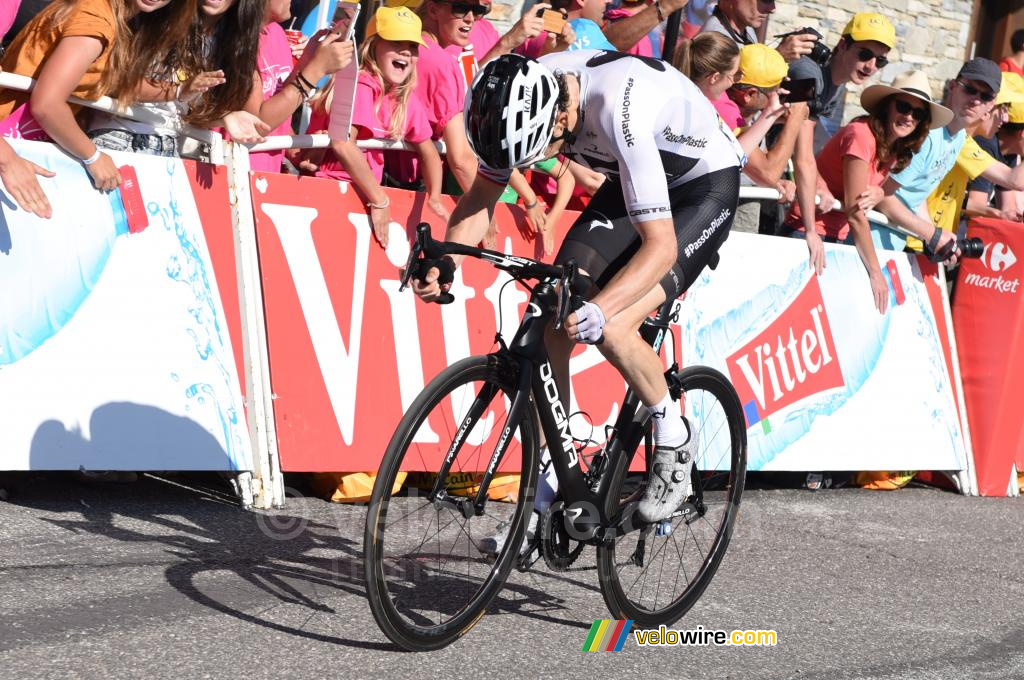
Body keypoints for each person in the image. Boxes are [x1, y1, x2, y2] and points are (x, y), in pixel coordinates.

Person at [412, 52, 745, 534]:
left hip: (701, 187)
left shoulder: (617, 109)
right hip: (634, 174)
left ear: (562, 117)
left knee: (613, 324)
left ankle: (674, 438)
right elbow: (483, 196)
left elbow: (660, 247)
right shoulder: (519, 94)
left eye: (542, 148)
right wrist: (447, 258)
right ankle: (552, 490)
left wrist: (602, 307)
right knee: (553, 311)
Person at [784, 71, 945, 312]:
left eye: (918, 113)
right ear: (887, 107)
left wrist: (880, 194)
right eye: (903, 106)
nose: (909, 116)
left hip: (837, 238)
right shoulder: (861, 134)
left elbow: (872, 196)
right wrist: (875, 272)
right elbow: (856, 211)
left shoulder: (896, 147)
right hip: (808, 232)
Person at [0, 0, 196, 191]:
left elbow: (113, 83)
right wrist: (93, 157)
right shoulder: (95, 19)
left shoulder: (112, 18)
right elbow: (47, 105)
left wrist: (178, 90)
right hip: (9, 141)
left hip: (23, 144)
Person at [303, 6, 448, 246]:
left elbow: (429, 152)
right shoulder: (362, 84)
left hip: (361, 194)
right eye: (396, 41)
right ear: (373, 45)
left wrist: (434, 199)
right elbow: (343, 145)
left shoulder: (403, 98)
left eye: (413, 46)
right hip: (328, 190)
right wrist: (380, 200)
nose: (405, 51)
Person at [875, 59, 1024, 261]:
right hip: (878, 240)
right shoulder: (927, 132)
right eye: (970, 89)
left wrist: (936, 237)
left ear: (990, 105)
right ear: (953, 87)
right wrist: (932, 235)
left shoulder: (959, 139)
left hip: (903, 241)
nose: (976, 100)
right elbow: (883, 195)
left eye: (986, 96)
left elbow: (915, 196)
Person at [788, 12, 895, 272]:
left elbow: (808, 143)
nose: (871, 66)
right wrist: (812, 231)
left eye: (879, 61)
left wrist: (821, 183)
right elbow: (798, 150)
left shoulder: (838, 85)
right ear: (843, 45)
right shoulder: (807, 72)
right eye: (864, 54)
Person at [689, 41, 802, 232]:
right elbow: (767, 172)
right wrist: (795, 120)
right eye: (776, 91)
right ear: (749, 95)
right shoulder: (725, 109)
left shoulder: (722, 103)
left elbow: (753, 164)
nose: (782, 94)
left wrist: (771, 117)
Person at [246, 0, 354, 172]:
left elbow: (277, 109)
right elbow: (254, 126)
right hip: (235, 177)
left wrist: (296, 150)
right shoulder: (237, 40)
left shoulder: (276, 33)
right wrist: (315, 69)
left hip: (264, 174)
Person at [970, 78, 1024, 221]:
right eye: (1002, 109)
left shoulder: (1009, 154)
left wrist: (1008, 216)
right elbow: (975, 208)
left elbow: (1008, 208)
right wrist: (999, 214)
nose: (1004, 117)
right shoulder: (985, 143)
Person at [699, 0, 817, 63]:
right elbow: (742, 92)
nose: (772, 9)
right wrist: (779, 56)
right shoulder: (715, 38)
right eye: (766, 0)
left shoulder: (746, 30)